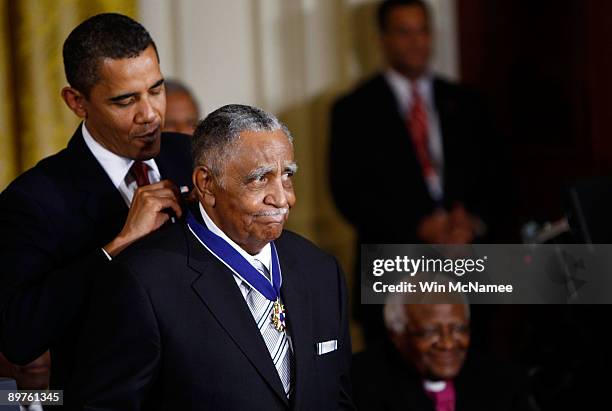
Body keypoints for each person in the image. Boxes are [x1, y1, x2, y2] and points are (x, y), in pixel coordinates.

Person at [67, 104, 354, 410]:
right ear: (206, 184)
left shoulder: (321, 270)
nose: (282, 198)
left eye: (287, 176)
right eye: (260, 179)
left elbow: (339, 398)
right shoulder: (144, 283)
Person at [0, 13, 193, 391]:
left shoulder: (192, 158)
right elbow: (19, 336)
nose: (150, 114)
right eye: (126, 101)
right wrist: (117, 246)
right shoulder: (33, 200)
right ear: (77, 101)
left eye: (156, 90)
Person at [329, 0, 504, 345]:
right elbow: (348, 193)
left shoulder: (468, 102)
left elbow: (498, 180)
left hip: (468, 270)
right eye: (404, 32)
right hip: (393, 273)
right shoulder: (353, 110)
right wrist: (419, 226)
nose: (417, 42)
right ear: (382, 38)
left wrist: (471, 224)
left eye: (423, 30)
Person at [352, 302, 532, 411]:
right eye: (430, 332)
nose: (447, 343)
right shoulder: (358, 385)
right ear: (397, 335)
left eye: (459, 329)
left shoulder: (503, 382)